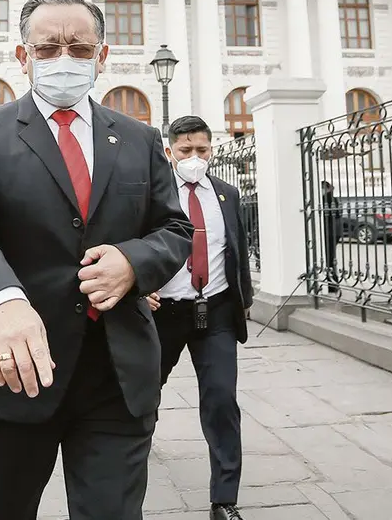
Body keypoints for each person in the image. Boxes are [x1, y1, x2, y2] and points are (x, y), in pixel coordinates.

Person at [0, 0, 192, 520]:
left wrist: (133, 261)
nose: (64, 60)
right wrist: (1, 302)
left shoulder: (140, 138)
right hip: (19, 366)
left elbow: (174, 227)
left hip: (116, 375)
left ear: (102, 56)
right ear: (23, 57)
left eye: (79, 47)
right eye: (48, 48)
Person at [146, 116, 253, 520]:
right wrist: (141, 286)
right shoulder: (155, 196)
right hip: (166, 313)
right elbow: (138, 244)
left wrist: (244, 295)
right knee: (145, 389)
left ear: (212, 149)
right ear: (170, 151)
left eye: (202, 151)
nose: (195, 158)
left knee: (222, 398)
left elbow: (236, 247)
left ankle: (224, 499)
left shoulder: (226, 193)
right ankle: (138, 441)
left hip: (218, 310)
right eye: (186, 151)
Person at [321, 181, 341, 292]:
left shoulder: (327, 198)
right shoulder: (333, 198)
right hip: (334, 231)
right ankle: (333, 282)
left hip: (329, 232)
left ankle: (331, 283)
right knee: (331, 257)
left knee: (328, 258)